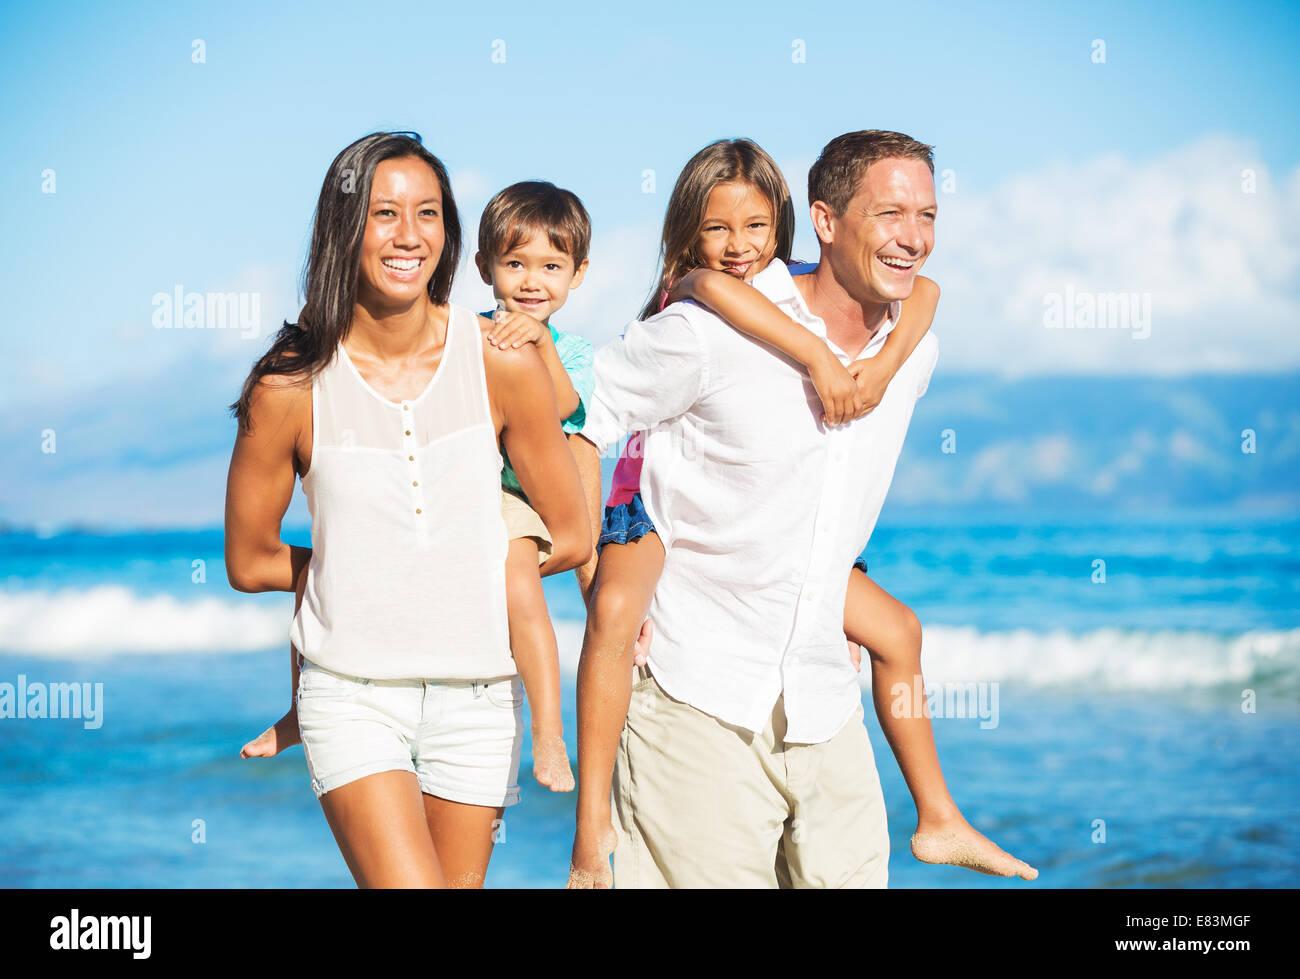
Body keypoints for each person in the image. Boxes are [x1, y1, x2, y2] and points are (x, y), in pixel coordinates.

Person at [572, 131, 1037, 887]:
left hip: (827, 705)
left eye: (927, 214)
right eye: (889, 213)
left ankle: (941, 816)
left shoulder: (915, 351)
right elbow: (579, 418)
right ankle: (588, 833)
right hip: (699, 700)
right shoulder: (711, 329)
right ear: (824, 221)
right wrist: (592, 561)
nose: (913, 236)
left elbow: (825, 488)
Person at [224, 131, 590, 888]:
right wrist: (357, 566)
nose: (409, 234)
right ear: (343, 226)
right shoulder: (288, 386)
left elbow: (574, 530)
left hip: (481, 695)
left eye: (427, 212)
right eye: (384, 213)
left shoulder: (502, 359)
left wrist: (468, 567)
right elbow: (250, 557)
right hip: (350, 694)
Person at [473, 180, 602, 791]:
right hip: (459, 487)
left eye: (551, 266)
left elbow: (563, 406)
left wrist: (539, 346)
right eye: (515, 263)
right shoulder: (463, 333)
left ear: (577, 274)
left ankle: (550, 734)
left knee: (518, 578)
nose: (532, 281)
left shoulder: (571, 348)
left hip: (517, 497)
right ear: (484, 267)